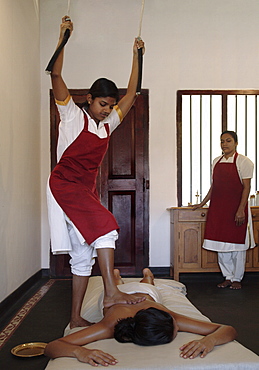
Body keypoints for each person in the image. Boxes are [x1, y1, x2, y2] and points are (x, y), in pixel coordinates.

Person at [46, 16, 146, 329]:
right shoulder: (71, 114)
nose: (106, 109)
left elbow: (131, 94)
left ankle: (75, 318)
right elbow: (56, 73)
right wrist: (64, 37)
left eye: (109, 106)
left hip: (83, 191)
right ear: (89, 99)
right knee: (106, 226)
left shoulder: (106, 127)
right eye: (102, 104)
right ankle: (111, 293)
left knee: (81, 255)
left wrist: (137, 56)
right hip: (64, 185)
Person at [44, 268, 237, 366]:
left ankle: (142, 276)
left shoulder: (167, 317)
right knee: (126, 286)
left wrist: (210, 341)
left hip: (145, 294)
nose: (179, 328)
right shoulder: (109, 325)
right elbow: (51, 348)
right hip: (123, 296)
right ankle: (123, 277)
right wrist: (81, 353)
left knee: (146, 286)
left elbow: (228, 329)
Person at [193, 131, 255, 289]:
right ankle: (227, 276)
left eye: (228, 141)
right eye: (222, 141)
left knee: (237, 244)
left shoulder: (244, 162)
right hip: (218, 208)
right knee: (219, 243)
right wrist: (202, 203)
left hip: (236, 208)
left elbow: (246, 188)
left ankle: (237, 278)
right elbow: (214, 187)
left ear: (236, 143)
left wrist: (241, 209)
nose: (224, 144)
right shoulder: (216, 161)